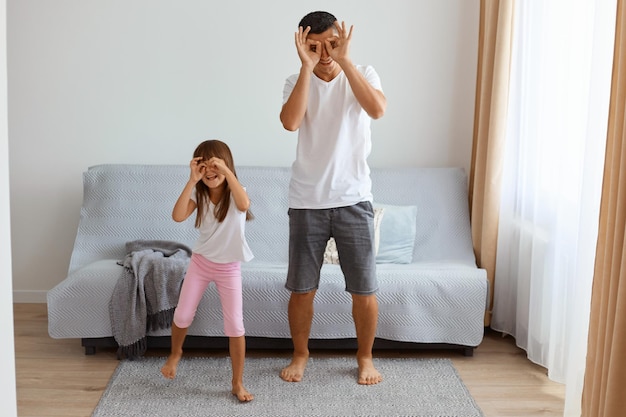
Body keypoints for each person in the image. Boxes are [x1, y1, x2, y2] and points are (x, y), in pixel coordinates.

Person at [279, 11, 387, 385]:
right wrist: (307, 68)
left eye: (331, 44)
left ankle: (365, 358)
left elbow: (377, 109)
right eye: (314, 46)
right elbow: (291, 122)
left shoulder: (364, 73)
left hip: (354, 199)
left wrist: (345, 61)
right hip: (307, 201)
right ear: (302, 45)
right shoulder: (297, 80)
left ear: (342, 40)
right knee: (302, 288)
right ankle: (300, 354)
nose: (323, 52)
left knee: (364, 288)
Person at [160, 139, 255, 402]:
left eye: (215, 165)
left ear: (226, 167)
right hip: (201, 263)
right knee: (183, 313)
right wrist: (192, 180)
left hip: (229, 267)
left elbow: (245, 205)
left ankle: (237, 382)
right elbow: (178, 216)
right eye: (204, 166)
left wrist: (227, 173)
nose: (209, 172)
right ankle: (176, 353)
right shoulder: (198, 193)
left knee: (235, 324)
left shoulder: (236, 193)